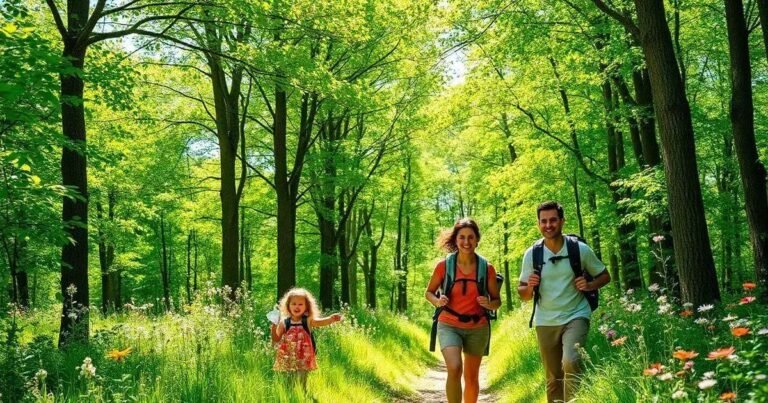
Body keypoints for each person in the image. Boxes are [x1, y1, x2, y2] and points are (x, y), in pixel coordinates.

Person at [518, 201, 611, 402]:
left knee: (571, 360)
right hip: (545, 320)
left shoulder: (579, 249)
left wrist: (589, 285)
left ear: (561, 221)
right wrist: (530, 287)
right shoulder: (532, 254)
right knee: (553, 378)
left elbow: (605, 276)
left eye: (553, 220)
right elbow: (522, 293)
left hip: (576, 314)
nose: (548, 225)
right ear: (538, 224)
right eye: (544, 221)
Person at [425, 218, 501, 403]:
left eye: (470, 237)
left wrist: (488, 304)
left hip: (478, 327)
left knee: (471, 377)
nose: (466, 242)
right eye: (462, 238)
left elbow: (497, 301)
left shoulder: (487, 268)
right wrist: (437, 301)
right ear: (455, 240)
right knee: (455, 367)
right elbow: (429, 293)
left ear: (477, 240)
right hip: (449, 324)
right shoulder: (443, 266)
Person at [270, 287, 343, 392]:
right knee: (288, 381)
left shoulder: (307, 321)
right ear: (288, 306)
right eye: (293, 304)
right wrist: (273, 327)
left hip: (304, 356)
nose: (297, 307)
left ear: (306, 307)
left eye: (300, 304)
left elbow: (320, 322)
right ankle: (290, 396)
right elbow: (276, 339)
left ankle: (303, 394)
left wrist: (331, 319)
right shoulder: (284, 323)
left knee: (302, 378)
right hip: (288, 356)